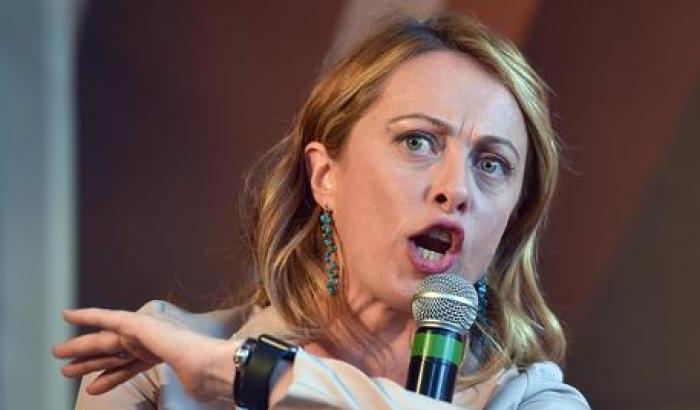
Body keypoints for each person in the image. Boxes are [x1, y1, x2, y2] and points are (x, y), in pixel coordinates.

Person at [52, 13, 590, 410]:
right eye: (418, 142)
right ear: (325, 176)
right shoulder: (159, 370)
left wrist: (247, 375)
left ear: (512, 218)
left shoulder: (534, 401)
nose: (456, 188)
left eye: (492, 164)